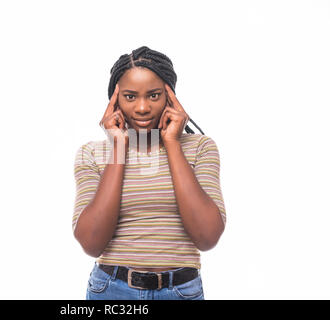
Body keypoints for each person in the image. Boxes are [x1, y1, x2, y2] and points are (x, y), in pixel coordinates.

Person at [72, 46, 226, 300]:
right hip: (111, 290)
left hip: (181, 291)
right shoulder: (92, 154)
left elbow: (207, 237)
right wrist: (119, 146)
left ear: (170, 97)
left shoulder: (200, 148)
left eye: (153, 95)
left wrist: (173, 143)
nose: (142, 107)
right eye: (130, 97)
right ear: (115, 100)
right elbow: (91, 242)